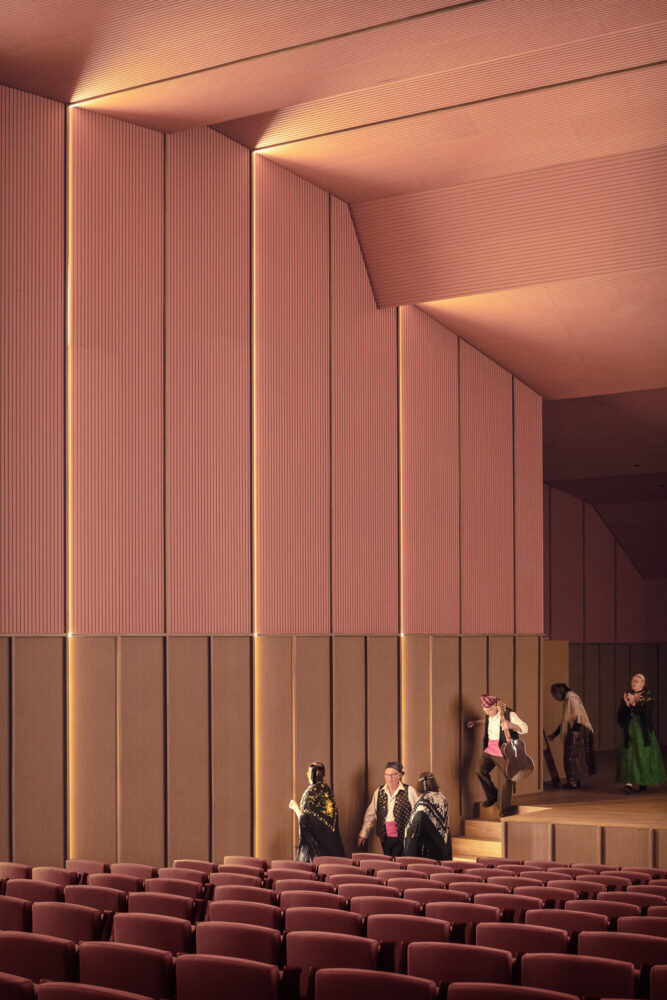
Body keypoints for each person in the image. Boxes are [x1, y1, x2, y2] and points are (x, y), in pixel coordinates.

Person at [466, 695, 529, 817]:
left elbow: (525, 728)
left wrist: (511, 726)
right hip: (490, 750)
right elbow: (488, 720)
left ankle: (505, 810)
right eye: (485, 711)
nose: (488, 713)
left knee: (505, 779)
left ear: (496, 705)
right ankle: (493, 796)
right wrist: (475, 722)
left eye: (490, 710)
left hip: (504, 751)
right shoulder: (489, 715)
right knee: (479, 771)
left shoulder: (509, 714)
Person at [617, 673, 666, 794]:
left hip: (643, 730)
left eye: (636, 681)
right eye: (632, 681)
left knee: (642, 754)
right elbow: (620, 714)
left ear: (642, 683)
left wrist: (634, 704)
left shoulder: (647, 695)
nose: (633, 683)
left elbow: (646, 712)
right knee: (630, 754)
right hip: (630, 729)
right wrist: (627, 705)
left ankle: (642, 780)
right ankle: (629, 783)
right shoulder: (627, 695)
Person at [357, 761, 418, 857]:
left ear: (400, 775)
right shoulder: (379, 792)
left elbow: (417, 814)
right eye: (387, 775)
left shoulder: (409, 791)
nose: (390, 778)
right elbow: (371, 815)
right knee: (388, 859)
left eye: (393, 774)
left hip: (403, 835)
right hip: (385, 836)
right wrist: (363, 834)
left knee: (398, 860)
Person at [289, 761, 345, 862]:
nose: (306, 774)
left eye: (308, 772)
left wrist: (295, 807)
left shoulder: (311, 793)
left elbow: (305, 820)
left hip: (314, 853)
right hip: (332, 847)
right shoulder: (327, 791)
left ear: (311, 775)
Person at [548, 682, 596, 788]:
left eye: (554, 695)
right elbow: (565, 721)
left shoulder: (571, 698)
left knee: (571, 757)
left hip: (577, 729)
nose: (555, 698)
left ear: (558, 692)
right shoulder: (569, 699)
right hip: (576, 728)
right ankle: (574, 781)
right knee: (574, 757)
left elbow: (578, 715)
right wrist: (554, 734)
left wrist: (575, 729)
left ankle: (573, 782)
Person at [403, 771, 452, 860]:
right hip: (443, 845)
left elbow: (416, 826)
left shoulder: (423, 801)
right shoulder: (441, 797)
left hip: (428, 850)